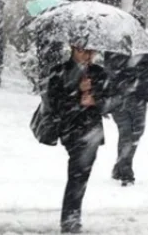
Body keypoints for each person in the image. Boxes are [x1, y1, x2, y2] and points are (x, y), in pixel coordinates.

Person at [45, 43, 119, 233]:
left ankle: (72, 216)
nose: (87, 55)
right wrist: (77, 92)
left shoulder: (98, 73)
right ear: (72, 49)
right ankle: (70, 219)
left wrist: (96, 100)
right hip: (71, 129)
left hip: (92, 130)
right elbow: (55, 103)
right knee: (77, 173)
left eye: (91, 51)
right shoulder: (59, 71)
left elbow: (112, 100)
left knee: (80, 175)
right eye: (82, 51)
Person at [107, 51, 148, 186]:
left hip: (138, 97)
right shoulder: (115, 48)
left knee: (136, 132)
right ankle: (126, 172)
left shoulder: (145, 47)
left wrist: (140, 80)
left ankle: (120, 166)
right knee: (126, 133)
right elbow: (110, 73)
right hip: (120, 98)